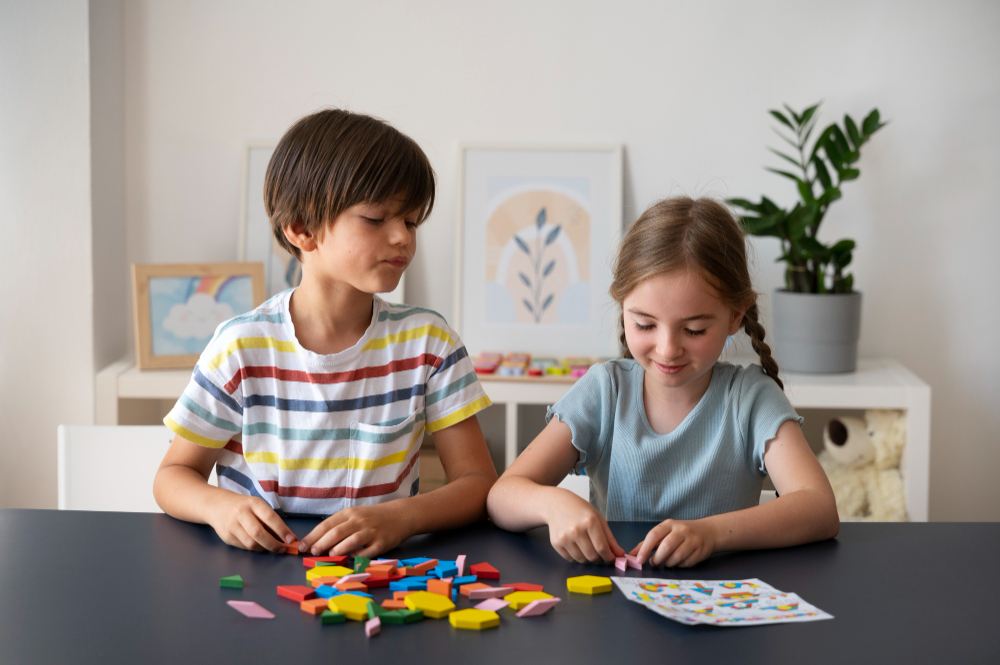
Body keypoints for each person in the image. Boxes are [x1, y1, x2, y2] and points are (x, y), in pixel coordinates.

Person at [153, 109, 497, 557]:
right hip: (261, 573)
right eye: (377, 218)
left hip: (381, 582)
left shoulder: (430, 343)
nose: (402, 238)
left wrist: (401, 517)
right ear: (301, 230)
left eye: (411, 222)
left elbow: (478, 484)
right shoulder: (240, 347)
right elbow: (173, 476)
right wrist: (220, 508)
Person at [486, 196, 839, 567]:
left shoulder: (751, 399)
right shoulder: (605, 392)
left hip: (721, 604)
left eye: (694, 329)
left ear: (735, 317)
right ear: (622, 307)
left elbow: (818, 507)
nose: (668, 349)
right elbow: (501, 497)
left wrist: (712, 534)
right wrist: (552, 503)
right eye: (645, 325)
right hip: (614, 607)